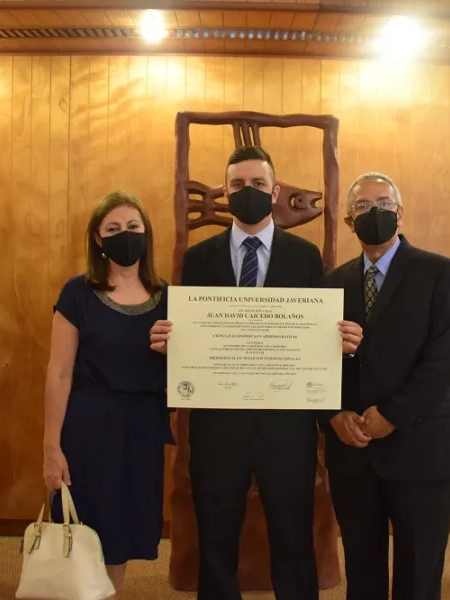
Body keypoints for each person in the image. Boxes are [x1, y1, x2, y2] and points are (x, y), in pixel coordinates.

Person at [150, 146, 362, 600]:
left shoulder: (305, 257)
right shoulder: (198, 258)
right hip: (217, 429)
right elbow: (192, 335)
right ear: (226, 192)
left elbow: (315, 338)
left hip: (287, 431)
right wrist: (171, 340)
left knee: (294, 541)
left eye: (259, 184)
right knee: (215, 543)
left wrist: (338, 345)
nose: (249, 191)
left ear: (276, 191)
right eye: (239, 185)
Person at [320, 172, 450, 600]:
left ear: (400, 214)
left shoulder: (440, 272)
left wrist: (392, 416)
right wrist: (333, 414)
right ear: (350, 221)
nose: (376, 212)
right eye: (363, 206)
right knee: (361, 571)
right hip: (352, 451)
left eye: (384, 204)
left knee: (418, 576)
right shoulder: (331, 284)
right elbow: (317, 362)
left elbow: (441, 360)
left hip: (419, 447)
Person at [42, 191, 174, 599]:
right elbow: (59, 372)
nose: (125, 235)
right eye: (113, 229)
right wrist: (50, 446)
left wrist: (175, 354)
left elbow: (185, 376)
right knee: (86, 525)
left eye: (133, 227)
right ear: (98, 240)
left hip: (141, 431)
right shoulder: (78, 292)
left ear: (146, 234)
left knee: (123, 530)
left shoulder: (168, 297)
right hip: (88, 429)